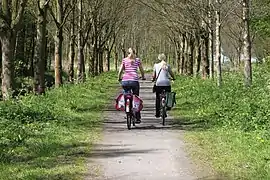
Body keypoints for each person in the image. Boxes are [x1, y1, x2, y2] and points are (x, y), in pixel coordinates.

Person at [118, 47, 146, 123]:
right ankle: (137, 117)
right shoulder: (137, 60)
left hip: (125, 81)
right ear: (135, 53)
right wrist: (143, 77)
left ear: (127, 53)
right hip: (134, 81)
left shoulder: (124, 60)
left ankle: (127, 111)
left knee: (126, 95)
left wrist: (119, 78)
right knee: (136, 98)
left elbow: (120, 71)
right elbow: (142, 70)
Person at [152, 53, 175, 118]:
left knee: (157, 98)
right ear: (165, 58)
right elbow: (171, 73)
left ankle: (157, 113)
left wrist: (153, 79)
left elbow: (154, 75)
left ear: (159, 58)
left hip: (158, 83)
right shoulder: (167, 65)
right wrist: (173, 78)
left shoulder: (156, 65)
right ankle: (168, 107)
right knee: (168, 95)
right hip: (167, 83)